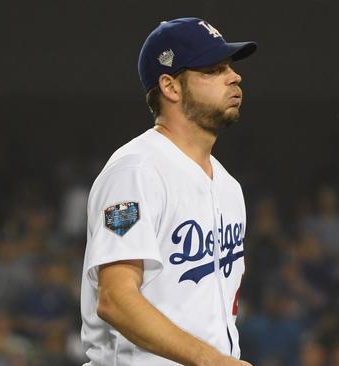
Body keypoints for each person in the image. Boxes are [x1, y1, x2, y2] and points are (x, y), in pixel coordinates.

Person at [80, 17, 257, 365]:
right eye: (214, 69)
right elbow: (114, 299)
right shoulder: (136, 171)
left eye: (231, 68)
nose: (234, 77)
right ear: (171, 87)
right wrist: (212, 360)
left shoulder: (228, 187)